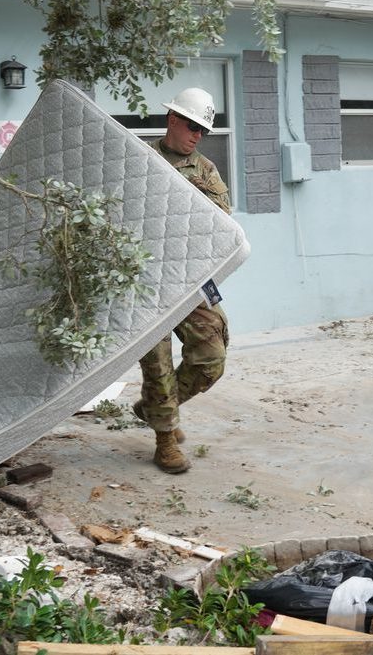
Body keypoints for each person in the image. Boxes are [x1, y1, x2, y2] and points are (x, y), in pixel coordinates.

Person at [135, 87, 231, 473]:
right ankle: (165, 440)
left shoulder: (205, 170)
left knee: (212, 357)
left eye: (203, 131)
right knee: (157, 363)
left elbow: (222, 220)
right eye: (193, 127)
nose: (197, 136)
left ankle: (157, 408)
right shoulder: (142, 160)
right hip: (144, 281)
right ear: (173, 119)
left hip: (189, 277)